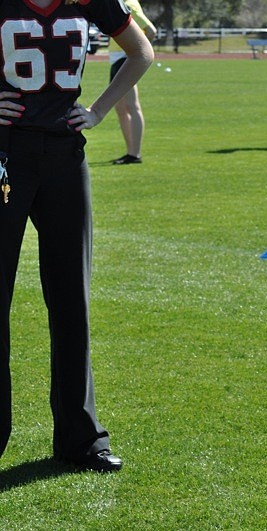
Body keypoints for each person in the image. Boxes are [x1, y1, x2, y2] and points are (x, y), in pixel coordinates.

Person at [0, 0, 153, 471]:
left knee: (72, 300)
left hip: (66, 155)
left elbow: (141, 51)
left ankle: (81, 439)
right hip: (4, 154)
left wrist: (99, 110)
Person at [108, 0, 157, 165]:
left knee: (132, 105)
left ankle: (135, 154)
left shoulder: (128, 3)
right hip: (118, 59)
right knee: (121, 108)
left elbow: (151, 30)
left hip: (125, 58)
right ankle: (131, 152)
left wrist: (138, 52)